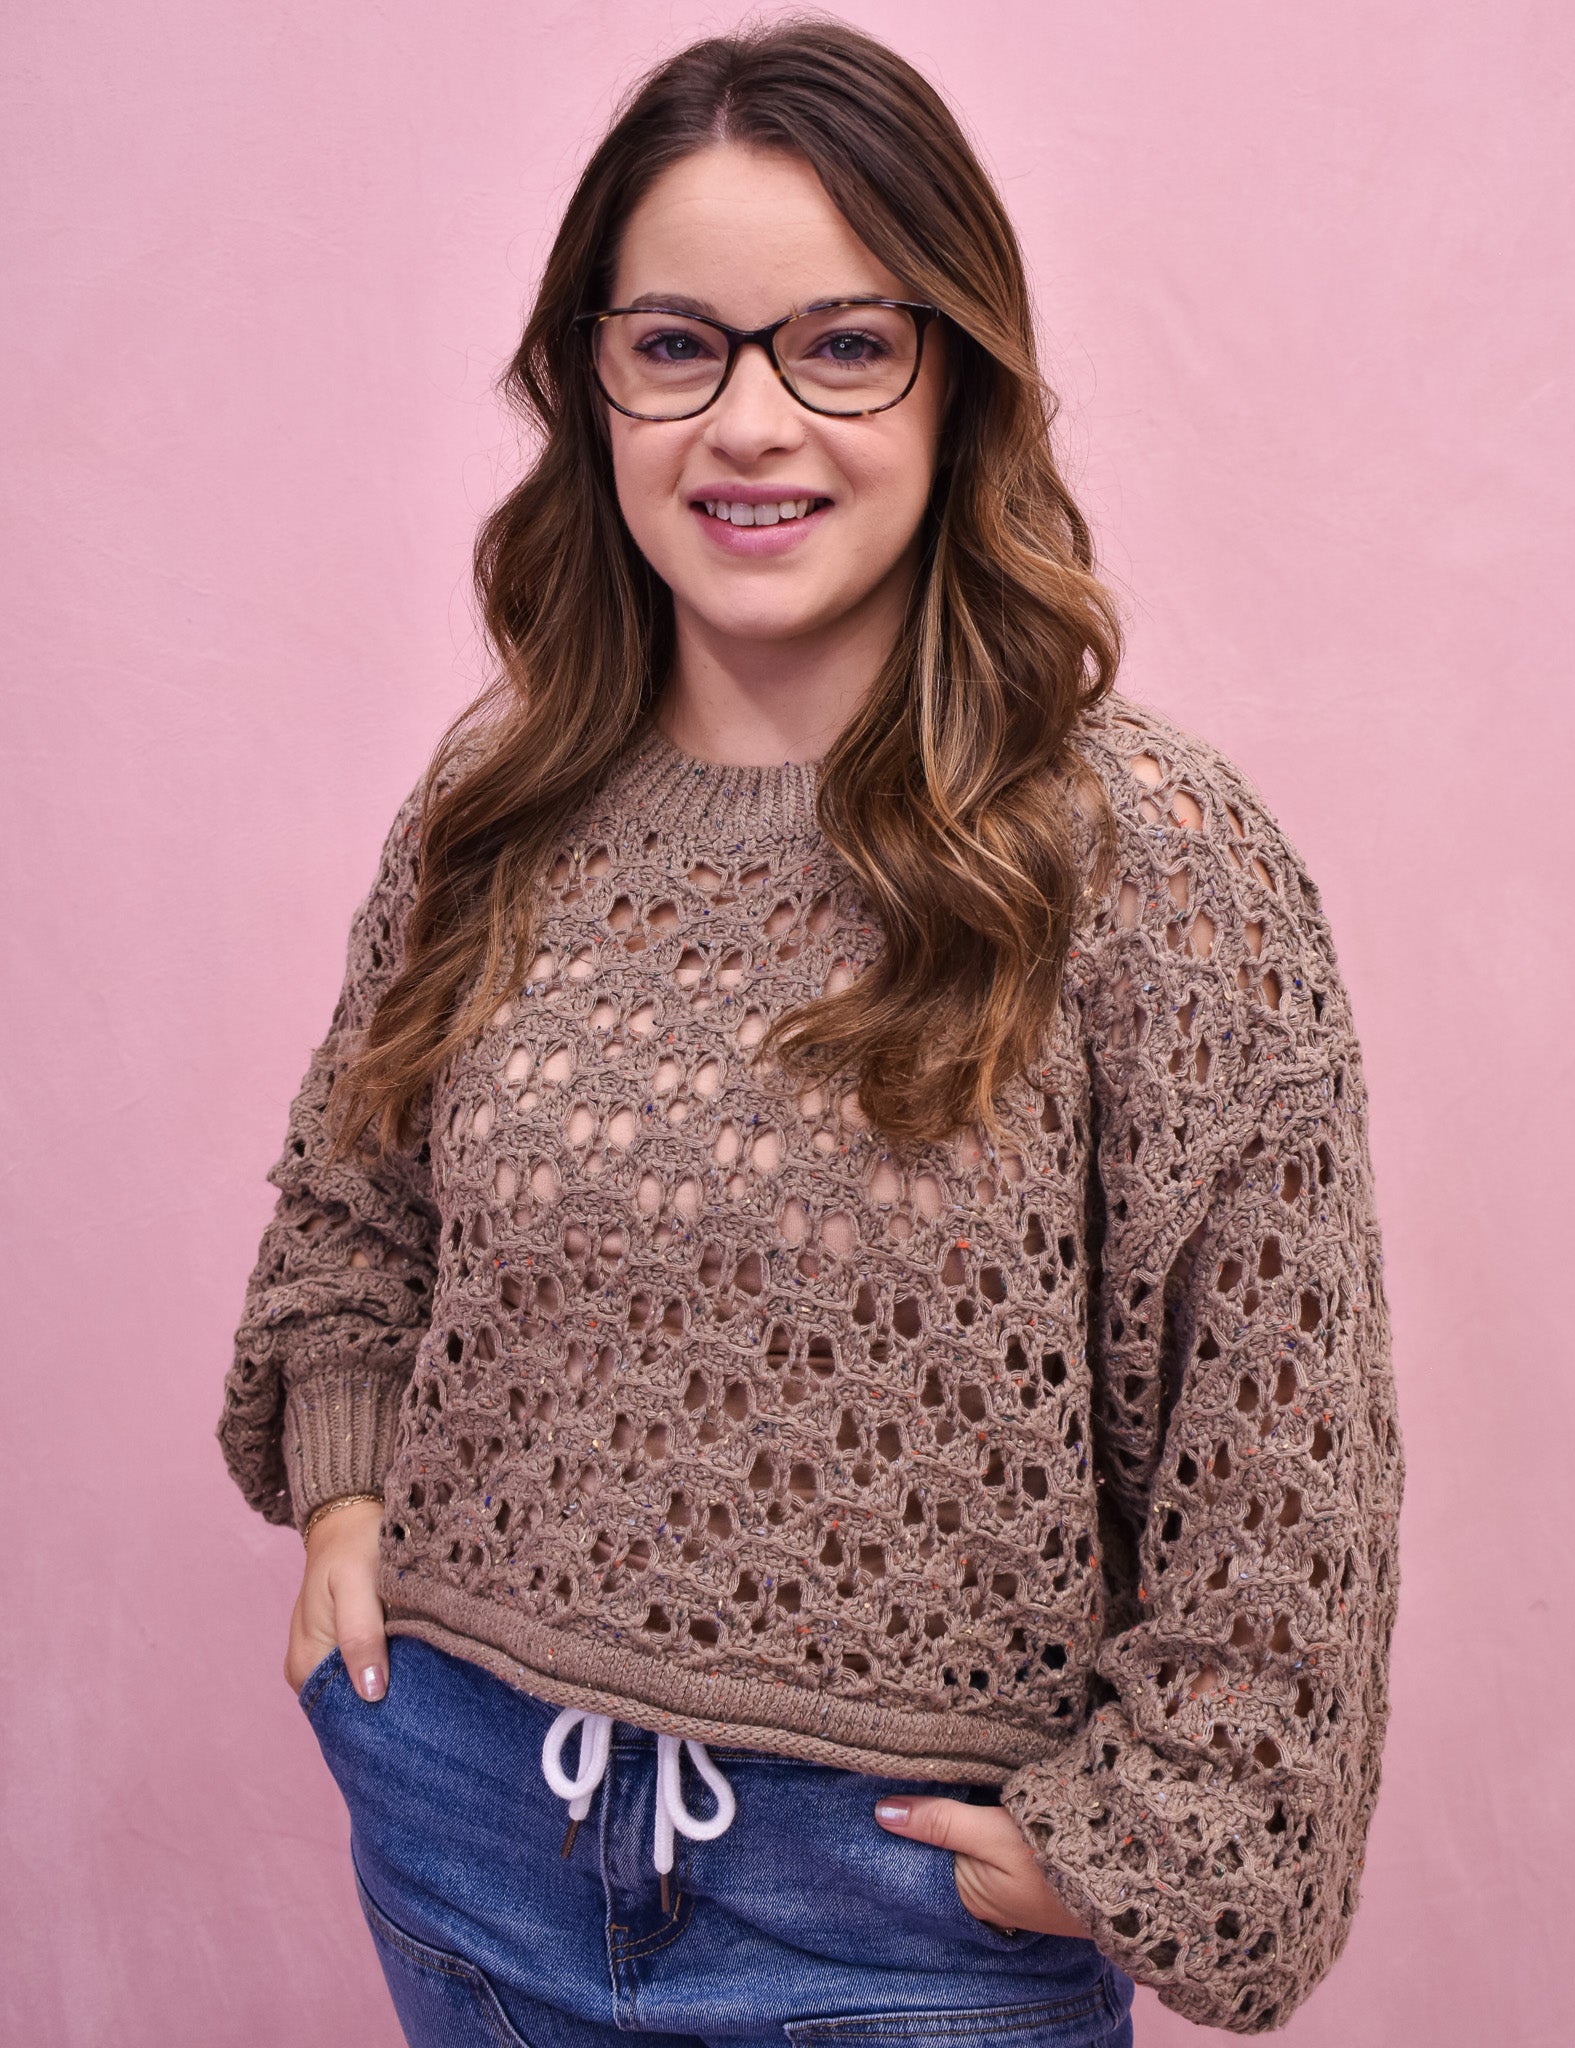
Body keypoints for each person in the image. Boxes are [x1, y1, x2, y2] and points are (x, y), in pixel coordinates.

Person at [217, 19, 1403, 2045]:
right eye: (677, 345)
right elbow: (353, 1209)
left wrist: (1154, 1842)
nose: (748, 423)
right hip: (468, 1837)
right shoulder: (496, 801)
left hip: (904, 1929)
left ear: (957, 379)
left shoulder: (1154, 861)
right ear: (589, 380)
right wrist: (345, 1499)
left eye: (841, 345)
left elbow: (1274, 1454)